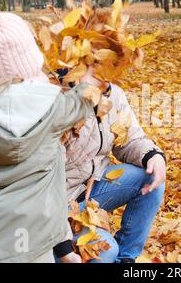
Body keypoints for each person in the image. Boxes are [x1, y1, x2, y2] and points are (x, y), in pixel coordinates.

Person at [0, 4, 97, 263]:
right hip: (25, 244)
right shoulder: (54, 107)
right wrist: (90, 72)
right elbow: (85, 97)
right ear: (29, 55)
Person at [54, 65, 167, 263]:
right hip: (58, 205)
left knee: (151, 176)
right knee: (104, 252)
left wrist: (153, 155)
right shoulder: (57, 94)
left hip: (94, 187)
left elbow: (129, 138)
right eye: (97, 60)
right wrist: (62, 247)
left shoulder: (113, 94)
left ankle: (126, 259)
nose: (106, 69)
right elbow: (44, 180)